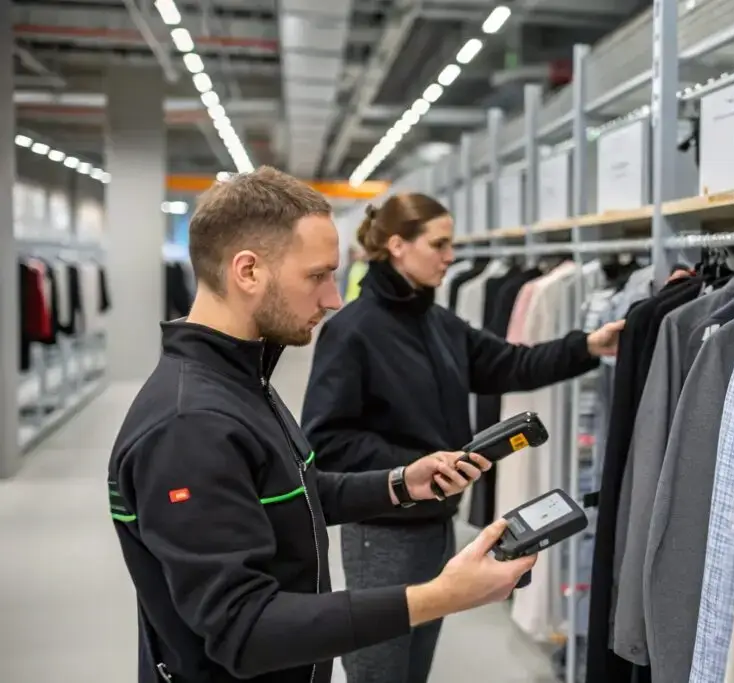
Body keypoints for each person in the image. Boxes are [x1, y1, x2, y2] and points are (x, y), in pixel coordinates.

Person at [106, 168, 537, 683]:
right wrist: (440, 596)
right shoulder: (189, 427)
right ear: (248, 272)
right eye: (317, 275)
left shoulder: (242, 381)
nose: (333, 298)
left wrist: (398, 484)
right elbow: (245, 629)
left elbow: (282, 494)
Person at [300, 192, 625, 683]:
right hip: (384, 529)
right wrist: (414, 467)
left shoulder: (439, 323)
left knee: (415, 661)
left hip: (437, 522)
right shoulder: (352, 331)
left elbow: (511, 363)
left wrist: (587, 346)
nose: (451, 256)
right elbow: (327, 441)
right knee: (380, 666)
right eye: (440, 243)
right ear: (397, 245)